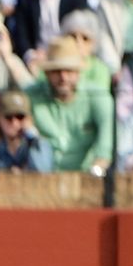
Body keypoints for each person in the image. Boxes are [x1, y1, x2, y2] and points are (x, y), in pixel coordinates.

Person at [27, 38, 112, 173]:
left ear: (78, 72)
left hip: (87, 177)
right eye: (57, 71)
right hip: (43, 177)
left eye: (69, 71)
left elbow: (105, 146)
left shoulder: (98, 97)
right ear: (47, 73)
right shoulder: (31, 96)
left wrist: (95, 174)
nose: (63, 77)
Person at [0, 89, 52, 171]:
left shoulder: (37, 141)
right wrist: (6, 168)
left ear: (29, 119)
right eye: (9, 117)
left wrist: (33, 141)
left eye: (20, 117)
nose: (14, 123)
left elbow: (43, 169)